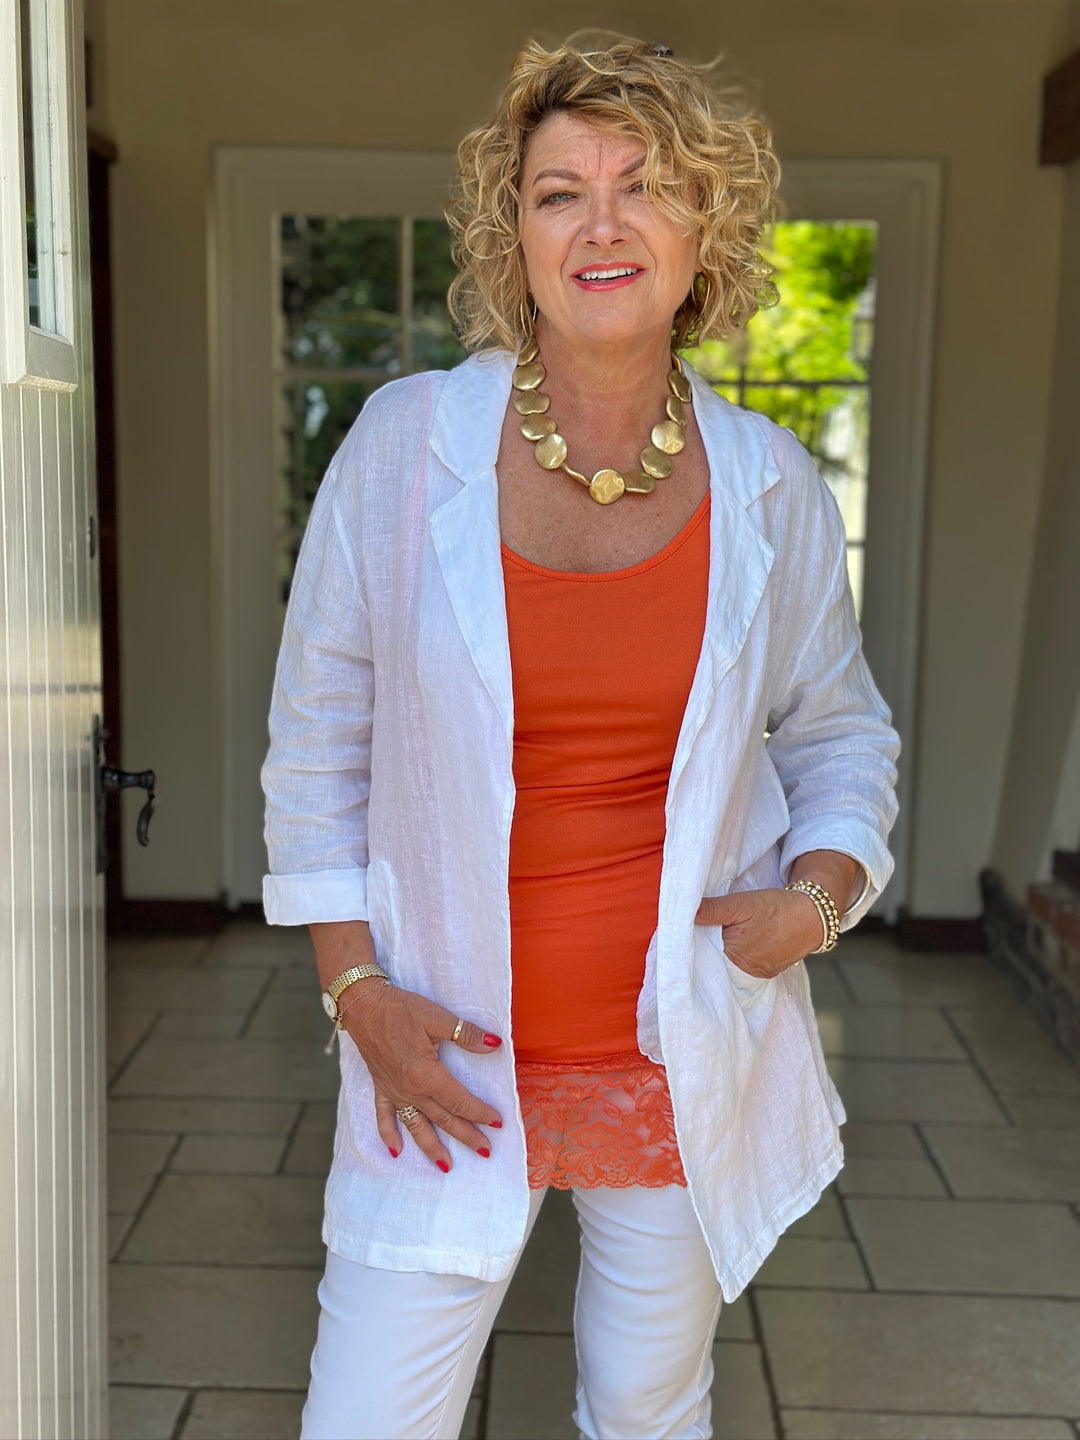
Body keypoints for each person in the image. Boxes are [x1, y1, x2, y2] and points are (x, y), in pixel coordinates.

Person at [261, 33, 899, 1440]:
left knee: (647, 1412)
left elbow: (843, 733)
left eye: (645, 186)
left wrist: (815, 903)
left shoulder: (770, 486)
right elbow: (316, 751)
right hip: (443, 1056)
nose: (602, 224)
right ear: (519, 236)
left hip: (675, 1050)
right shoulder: (402, 449)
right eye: (561, 193)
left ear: (705, 227)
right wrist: (356, 994)